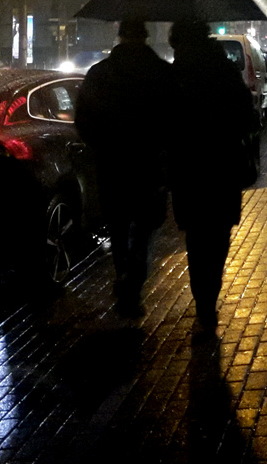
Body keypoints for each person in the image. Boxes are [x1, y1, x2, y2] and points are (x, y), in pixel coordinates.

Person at [74, 17, 172, 315]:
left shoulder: (99, 73)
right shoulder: (161, 73)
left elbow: (83, 120)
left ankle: (123, 274)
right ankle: (134, 276)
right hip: (148, 163)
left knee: (117, 225)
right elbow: (173, 120)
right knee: (144, 225)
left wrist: (100, 146)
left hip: (111, 163)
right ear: (146, 37)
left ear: (119, 37)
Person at [168, 19, 256, 331]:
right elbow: (247, 116)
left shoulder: (175, 77)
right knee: (218, 235)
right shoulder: (225, 72)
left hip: (188, 170)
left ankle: (202, 301)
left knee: (196, 236)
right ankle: (209, 297)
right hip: (222, 167)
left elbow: (164, 125)